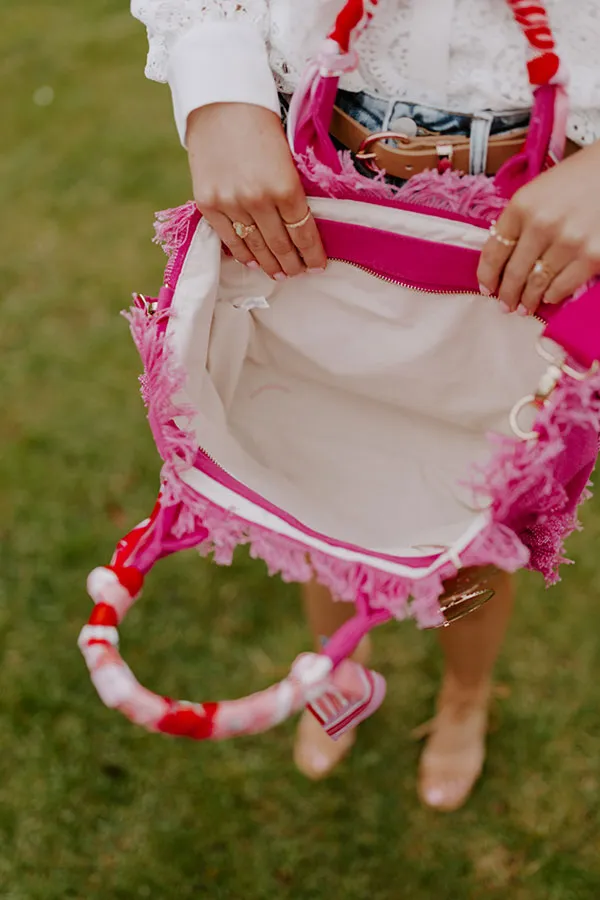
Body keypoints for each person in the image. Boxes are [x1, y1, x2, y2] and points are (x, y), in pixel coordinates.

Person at [130, 0, 600, 811]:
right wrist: (217, 89)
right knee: (316, 477)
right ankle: (335, 667)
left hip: (544, 207)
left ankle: (462, 695)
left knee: (473, 520)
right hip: (316, 179)